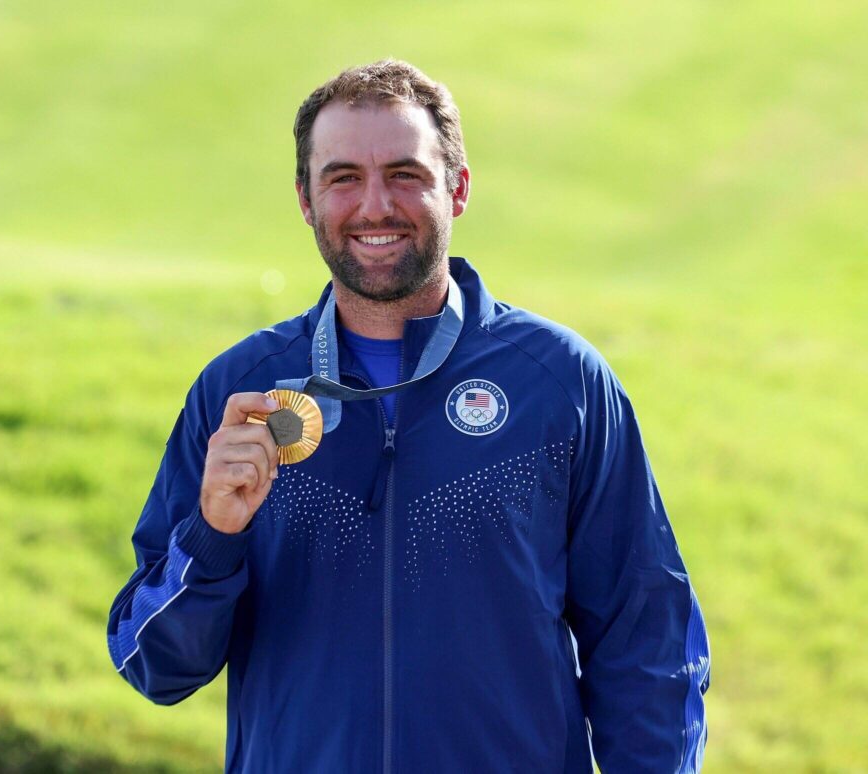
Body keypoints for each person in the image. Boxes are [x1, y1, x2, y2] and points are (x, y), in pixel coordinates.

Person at [107, 60, 710, 773]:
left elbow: (648, 644)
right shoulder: (238, 394)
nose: (374, 207)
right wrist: (213, 535)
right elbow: (154, 665)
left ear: (457, 188)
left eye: (404, 174)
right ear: (305, 198)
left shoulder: (560, 383)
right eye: (342, 179)